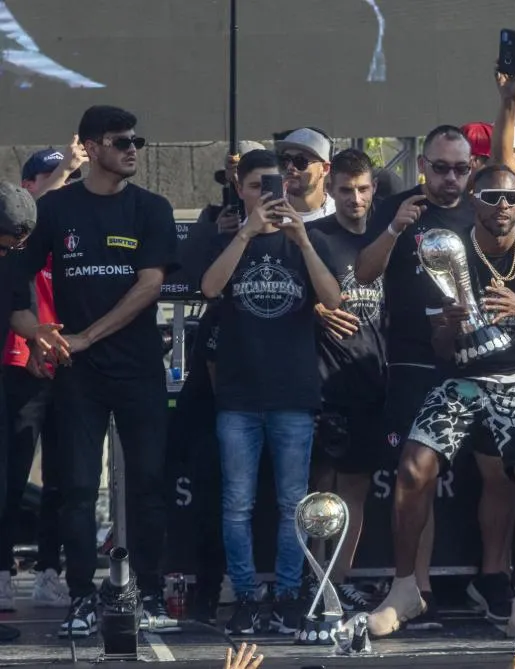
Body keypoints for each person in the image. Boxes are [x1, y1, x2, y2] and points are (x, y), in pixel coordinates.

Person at [366, 164, 515, 638]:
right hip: (461, 377)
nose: (504, 206)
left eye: (513, 198)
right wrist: (450, 324)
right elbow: (440, 345)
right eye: (493, 196)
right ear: (474, 199)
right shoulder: (449, 247)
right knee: (413, 469)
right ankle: (404, 590)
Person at [18, 106, 180, 637]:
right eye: (120, 141)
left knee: (150, 484)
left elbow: (150, 285)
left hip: (137, 370)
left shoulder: (150, 208)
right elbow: (13, 283)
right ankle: (83, 596)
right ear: (89, 147)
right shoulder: (55, 209)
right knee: (77, 487)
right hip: (76, 377)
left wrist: (86, 336)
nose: (133, 148)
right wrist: (36, 333)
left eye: (138, 139)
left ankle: (150, 591)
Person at [201, 149, 342, 636]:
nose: (269, 194)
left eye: (275, 184)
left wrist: (301, 239)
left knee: (292, 505)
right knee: (237, 503)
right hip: (239, 397)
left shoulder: (310, 238)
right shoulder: (230, 240)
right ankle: (245, 596)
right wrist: (244, 232)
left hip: (293, 395)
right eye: (258, 185)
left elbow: (333, 298)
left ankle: (286, 594)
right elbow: (209, 287)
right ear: (241, 188)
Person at [306, 148, 385, 612]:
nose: (355, 198)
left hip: (371, 378)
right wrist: (316, 310)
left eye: (363, 189)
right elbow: (295, 296)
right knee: (319, 488)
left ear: (374, 189)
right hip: (322, 382)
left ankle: (339, 579)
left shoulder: (385, 237)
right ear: (330, 190)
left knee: (355, 488)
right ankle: (312, 580)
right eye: (345, 190)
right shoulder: (316, 237)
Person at [0, 182, 70, 642]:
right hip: (17, 369)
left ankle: (44, 570)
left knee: (58, 480)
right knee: (9, 479)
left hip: (43, 364)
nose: (14, 251)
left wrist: (42, 339)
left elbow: (19, 311)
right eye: (8, 243)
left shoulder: (31, 248)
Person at [276, 128, 337, 222]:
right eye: (286, 160)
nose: (290, 167)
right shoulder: (270, 212)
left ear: (325, 168)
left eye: (300, 161)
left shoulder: (339, 213)